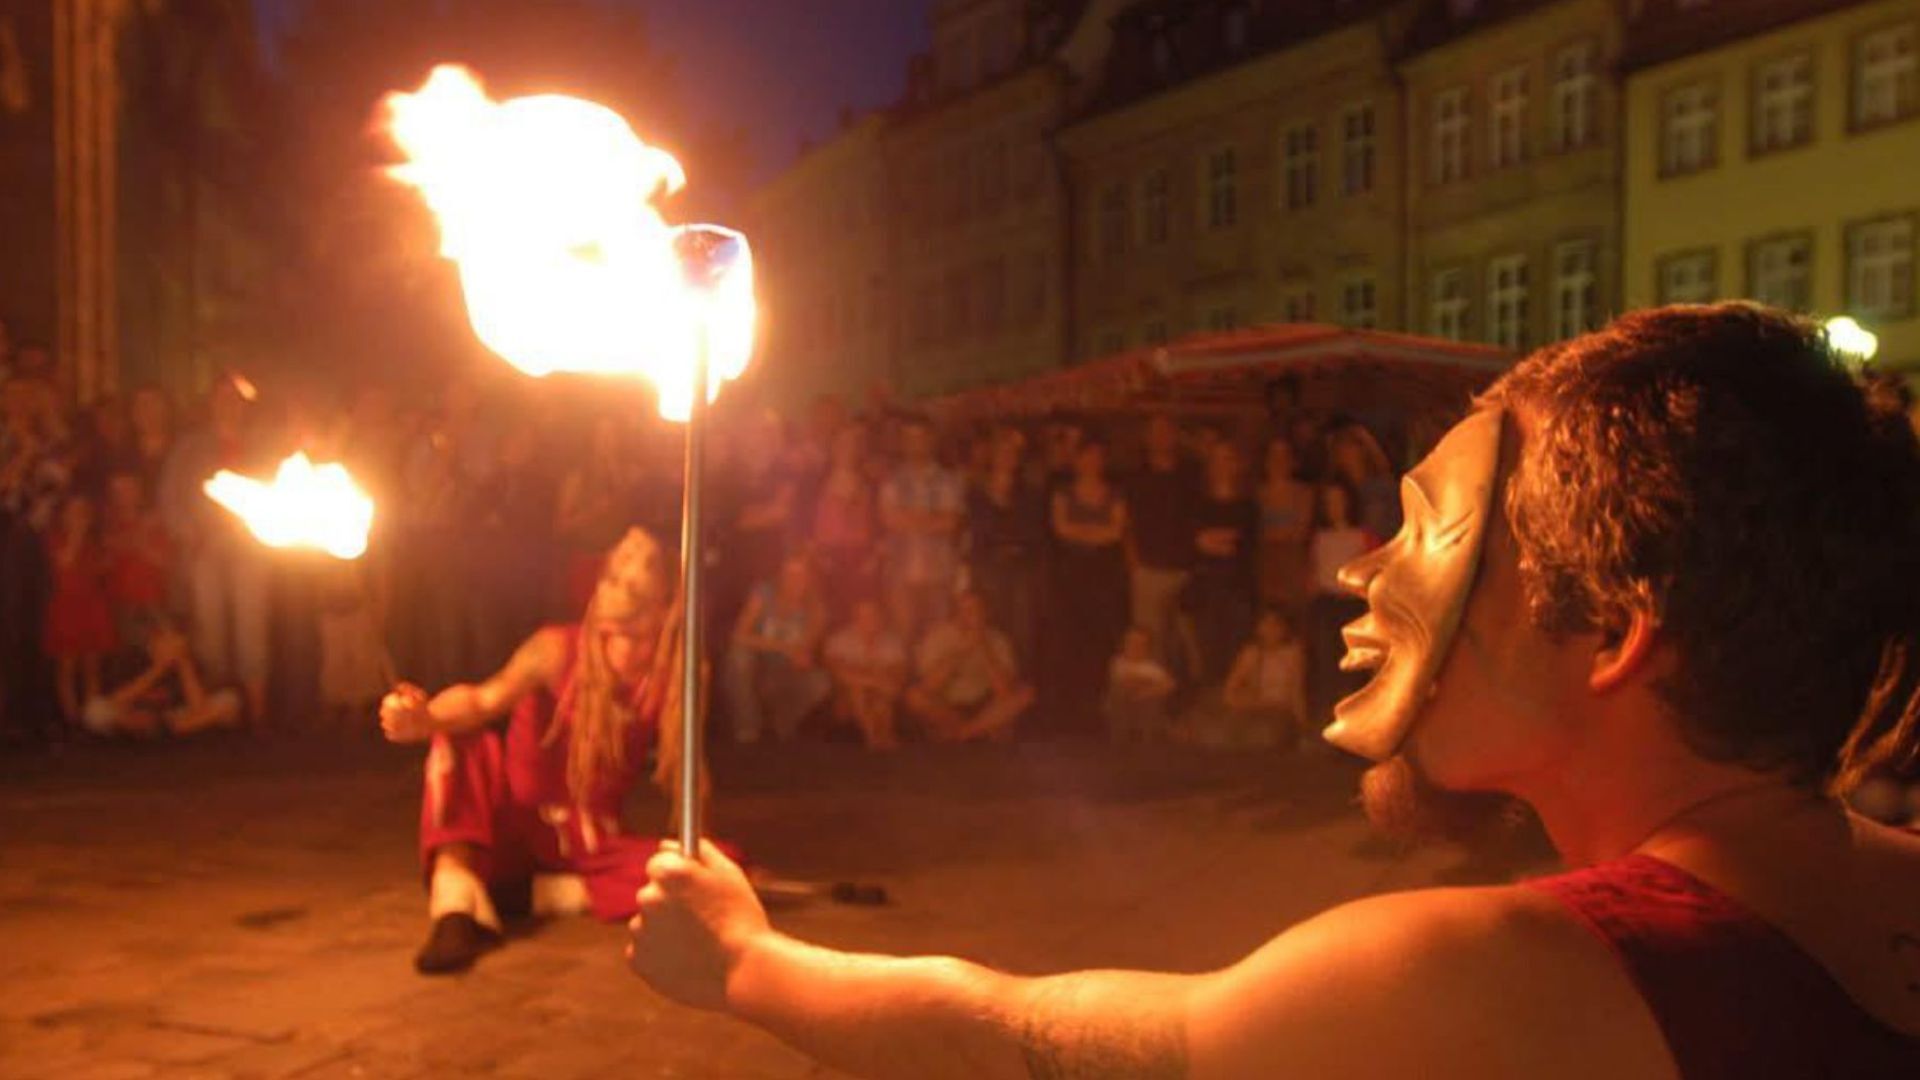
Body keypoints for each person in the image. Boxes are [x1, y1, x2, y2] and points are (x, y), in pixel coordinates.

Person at [627, 304, 1920, 1077]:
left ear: (1616, 636)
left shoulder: (1497, 978)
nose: (1364, 572)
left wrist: (750, 962)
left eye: (1430, 531)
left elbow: (1015, 1046)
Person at [379, 528, 701, 975]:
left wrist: (702, 861)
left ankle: (530, 895)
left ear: (667, 599)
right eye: (614, 568)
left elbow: (689, 774)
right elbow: (481, 701)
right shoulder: (554, 647)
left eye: (636, 572)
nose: (615, 580)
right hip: (518, 825)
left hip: (589, 841)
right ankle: (453, 906)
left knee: (699, 869)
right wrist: (425, 718)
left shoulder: (678, 671)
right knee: (463, 740)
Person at [157, 372, 271, 722]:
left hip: (249, 547)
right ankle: (218, 706)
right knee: (210, 627)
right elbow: (170, 495)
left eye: (234, 399)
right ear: (211, 403)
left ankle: (256, 710)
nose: (228, 405)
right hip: (205, 547)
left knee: (252, 625)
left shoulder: (261, 445)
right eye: (222, 398)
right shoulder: (192, 447)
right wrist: (186, 532)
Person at [1046, 439, 1128, 725]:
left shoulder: (1115, 493)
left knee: (1101, 637)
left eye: (1097, 456)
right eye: (1086, 456)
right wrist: (1096, 531)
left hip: (1104, 574)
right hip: (1071, 573)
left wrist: (1080, 531)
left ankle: (1098, 705)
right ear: (1077, 461)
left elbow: (1116, 532)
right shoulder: (1063, 492)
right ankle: (1069, 706)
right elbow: (1061, 529)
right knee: (1071, 635)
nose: (1092, 462)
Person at [723, 551, 831, 744]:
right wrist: (781, 646)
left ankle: (783, 719)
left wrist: (800, 655)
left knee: (819, 683)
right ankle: (748, 726)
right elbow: (739, 635)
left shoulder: (816, 609)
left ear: (810, 579)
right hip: (756, 662)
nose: (795, 580)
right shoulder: (763, 594)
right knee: (739, 657)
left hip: (783, 670)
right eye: (790, 574)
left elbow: (804, 650)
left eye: (801, 575)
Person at [905, 589, 1034, 743]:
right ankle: (977, 730)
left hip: (986, 706)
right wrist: (963, 650)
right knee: (914, 697)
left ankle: (965, 732)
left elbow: (1004, 691)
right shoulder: (937, 636)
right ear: (955, 613)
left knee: (1026, 693)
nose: (969, 615)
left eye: (975, 609)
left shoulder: (999, 640)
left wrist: (984, 647)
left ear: (985, 612)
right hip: (947, 706)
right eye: (964, 610)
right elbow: (929, 686)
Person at [878, 415, 963, 643]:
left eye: (919, 438)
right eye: (908, 438)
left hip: (938, 573)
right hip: (900, 573)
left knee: (937, 641)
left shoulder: (948, 480)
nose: (913, 444)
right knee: (902, 639)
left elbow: (950, 524)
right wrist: (932, 518)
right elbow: (889, 520)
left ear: (931, 440)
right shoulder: (891, 480)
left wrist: (906, 516)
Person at [966, 426, 1044, 669]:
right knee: (992, 625)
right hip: (988, 567)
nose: (1007, 456)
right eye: (1003, 450)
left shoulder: (1029, 491)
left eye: (1013, 452)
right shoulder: (976, 491)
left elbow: (1032, 530)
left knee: (1022, 629)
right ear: (993, 454)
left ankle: (1019, 678)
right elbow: (978, 529)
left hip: (1021, 568)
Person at [78, 625, 243, 738]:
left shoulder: (189, 665)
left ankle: (169, 730)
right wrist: (158, 669)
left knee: (230, 700)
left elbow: (198, 707)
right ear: (152, 645)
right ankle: (155, 730)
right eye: (163, 643)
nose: (169, 648)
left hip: (174, 718)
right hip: (133, 716)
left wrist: (184, 664)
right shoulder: (134, 660)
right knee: (94, 711)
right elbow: (118, 699)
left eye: (174, 643)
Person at [1124, 413, 1195, 673]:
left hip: (1184, 569)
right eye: (1155, 431)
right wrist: (1134, 564)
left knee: (1183, 640)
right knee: (1150, 639)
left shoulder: (1190, 475)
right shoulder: (1136, 477)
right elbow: (1127, 524)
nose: (1161, 437)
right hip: (1149, 570)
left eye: (1166, 430)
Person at [1183, 441, 1259, 687]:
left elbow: (1244, 544)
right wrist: (1215, 541)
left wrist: (1213, 540)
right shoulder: (1197, 504)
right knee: (1207, 649)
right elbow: (1194, 542)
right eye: (1217, 460)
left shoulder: (1248, 506)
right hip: (1205, 588)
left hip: (1238, 588)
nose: (1222, 466)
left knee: (1236, 647)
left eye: (1228, 459)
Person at [43, 493, 116, 724]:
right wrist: (77, 534)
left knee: (91, 665)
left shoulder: (94, 541)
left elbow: (103, 570)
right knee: (67, 666)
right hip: (66, 605)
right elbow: (64, 562)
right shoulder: (54, 538)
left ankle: (91, 717)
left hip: (91, 604)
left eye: (83, 511)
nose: (79, 515)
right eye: (74, 510)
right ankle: (71, 718)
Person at [1306, 480, 1374, 725]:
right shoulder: (1320, 537)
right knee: (1327, 661)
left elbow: (1373, 570)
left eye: (1339, 501)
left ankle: (1357, 719)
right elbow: (1313, 570)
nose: (1335, 507)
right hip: (1326, 604)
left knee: (1353, 665)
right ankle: (1329, 717)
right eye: (1329, 502)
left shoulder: (1361, 535)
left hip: (1351, 605)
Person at [1215, 607, 1309, 750]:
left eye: (1276, 625)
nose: (1271, 630)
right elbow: (1229, 692)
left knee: (1269, 736)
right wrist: (1254, 702)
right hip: (1255, 711)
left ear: (1285, 628)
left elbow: (1296, 691)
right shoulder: (1251, 654)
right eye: (1266, 624)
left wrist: (1301, 722)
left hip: (1280, 713)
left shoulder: (1293, 653)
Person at [822, 596, 909, 750]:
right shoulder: (839, 641)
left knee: (880, 696)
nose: (868, 620)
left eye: (873, 615)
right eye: (863, 616)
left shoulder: (892, 642)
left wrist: (869, 680)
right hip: (845, 702)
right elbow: (839, 673)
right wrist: (875, 681)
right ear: (854, 618)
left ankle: (884, 735)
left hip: (881, 696)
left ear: (881, 618)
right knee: (857, 690)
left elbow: (898, 676)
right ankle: (873, 735)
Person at [1255, 435, 1315, 612]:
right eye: (1273, 456)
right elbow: (1256, 533)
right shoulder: (1258, 494)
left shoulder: (1304, 494)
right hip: (1265, 568)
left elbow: (1300, 532)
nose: (1278, 462)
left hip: (1293, 568)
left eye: (1283, 456)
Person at [1103, 625, 1175, 744]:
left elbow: (1170, 684)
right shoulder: (1118, 662)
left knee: (1153, 700)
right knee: (1118, 692)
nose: (1135, 648)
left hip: (1145, 705)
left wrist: (1147, 692)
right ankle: (1120, 739)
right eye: (1131, 643)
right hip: (1123, 704)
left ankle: (1146, 739)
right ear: (1124, 645)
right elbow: (1120, 679)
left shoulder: (1152, 667)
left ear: (1147, 648)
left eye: (1140, 644)